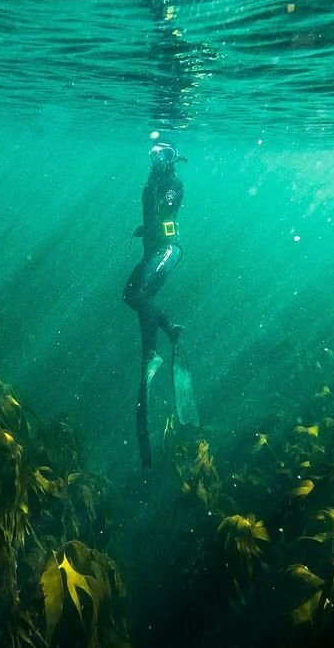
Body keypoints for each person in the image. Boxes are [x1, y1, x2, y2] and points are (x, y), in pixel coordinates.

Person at [123, 141, 191, 465]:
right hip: (153, 249)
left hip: (168, 250)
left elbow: (165, 212)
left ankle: (152, 352)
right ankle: (171, 329)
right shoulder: (151, 181)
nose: (155, 159)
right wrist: (144, 228)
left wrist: (150, 226)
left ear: (173, 158)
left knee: (141, 295)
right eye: (152, 153)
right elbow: (150, 212)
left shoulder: (173, 184)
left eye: (163, 154)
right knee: (130, 295)